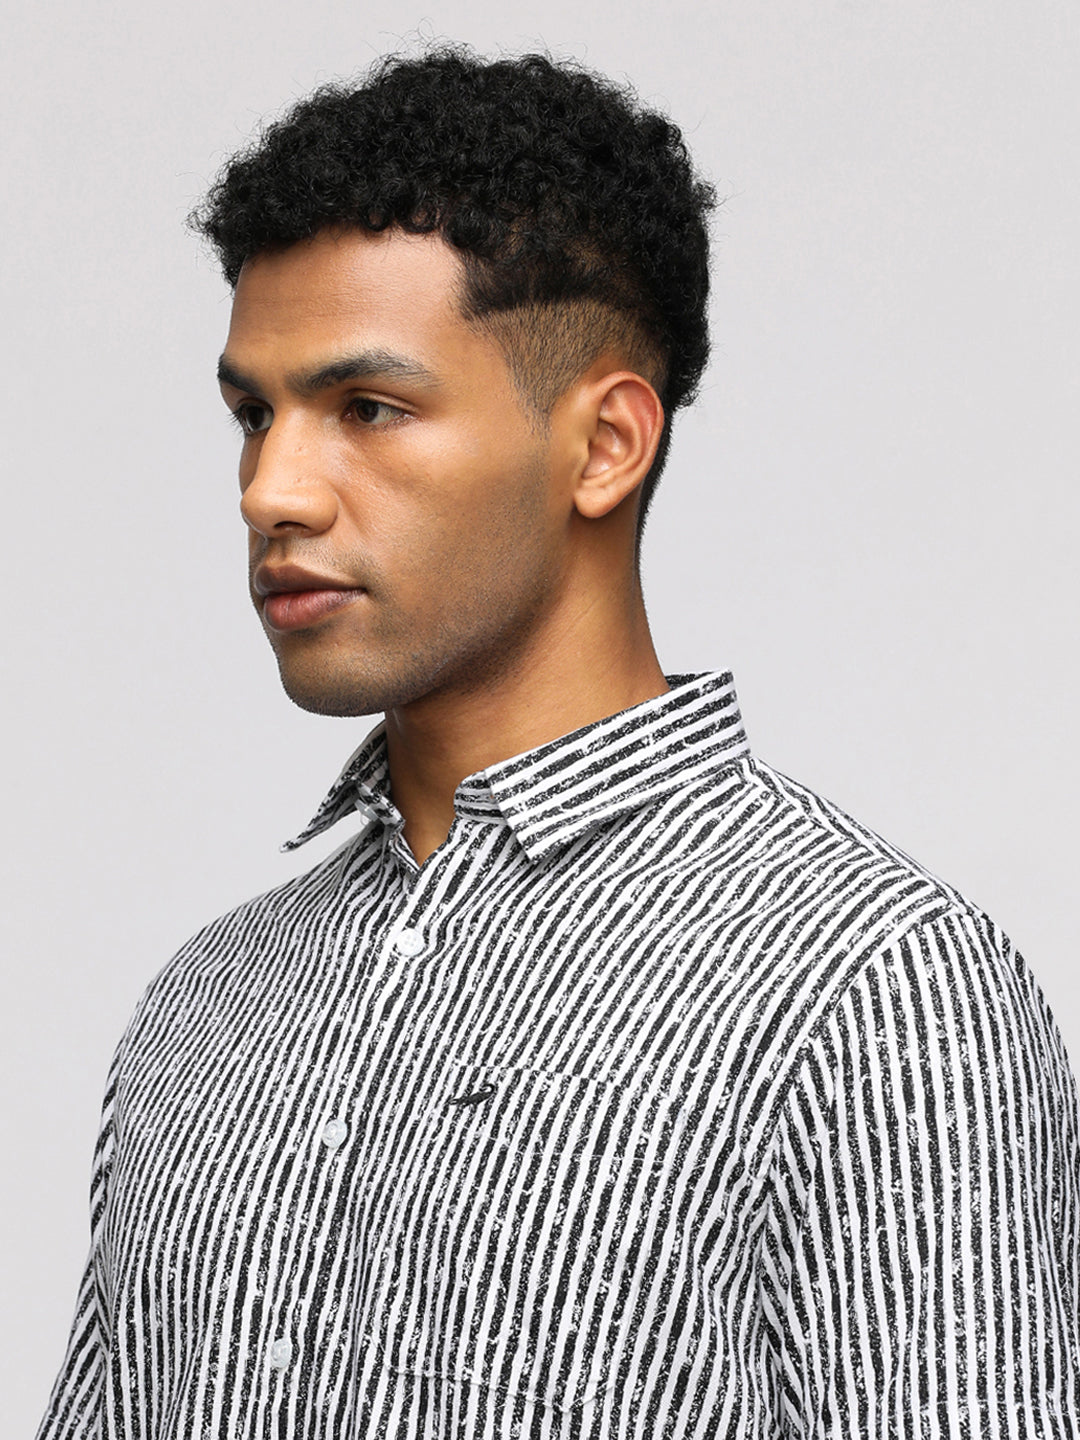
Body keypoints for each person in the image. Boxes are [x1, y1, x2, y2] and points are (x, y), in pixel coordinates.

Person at [39, 47, 1079, 1440]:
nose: (269, 491)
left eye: (367, 410)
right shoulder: (207, 1003)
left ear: (604, 448)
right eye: (253, 416)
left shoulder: (874, 994)